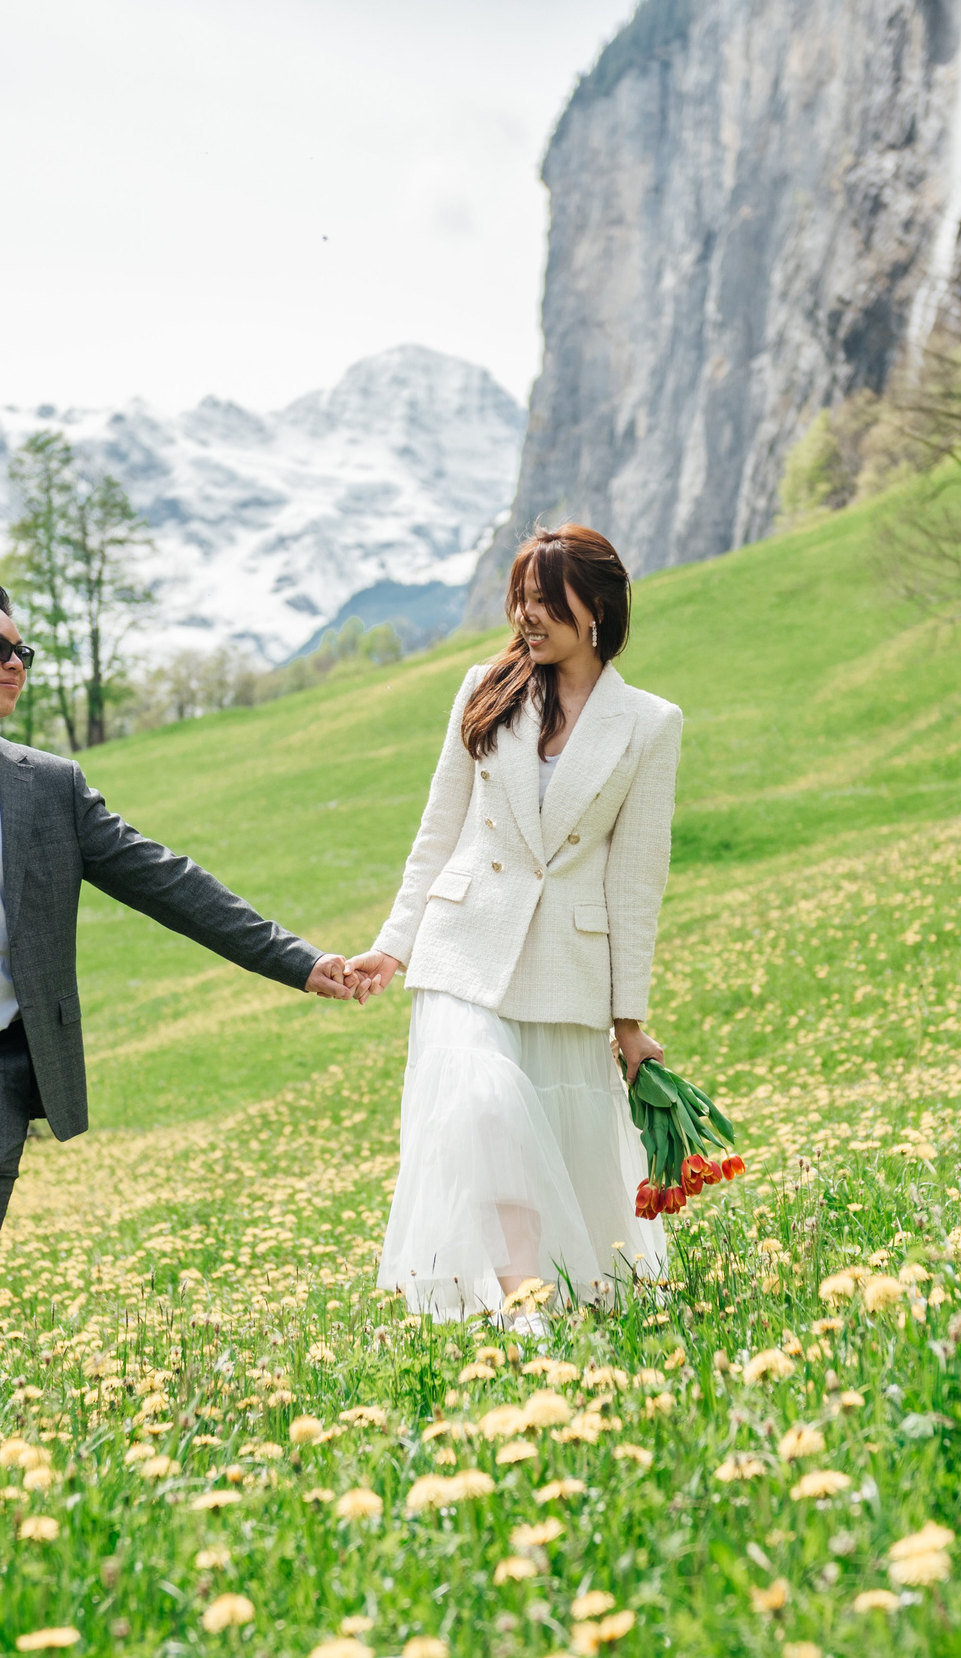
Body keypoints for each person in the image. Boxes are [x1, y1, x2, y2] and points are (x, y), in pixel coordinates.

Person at [0, 580, 358, 1424]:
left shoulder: (47, 787)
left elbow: (168, 881)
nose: (18, 663)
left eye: (23, 651)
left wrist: (299, 961)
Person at [347, 525, 682, 1327]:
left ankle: (558, 1295)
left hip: (565, 965)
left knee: (552, 1146)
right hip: (460, 949)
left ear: (595, 609)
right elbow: (439, 830)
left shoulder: (649, 723)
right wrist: (393, 946)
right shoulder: (484, 687)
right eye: (521, 599)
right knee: (483, 1102)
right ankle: (520, 1302)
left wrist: (628, 1020)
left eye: (545, 601)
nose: (527, 616)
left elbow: (637, 879)